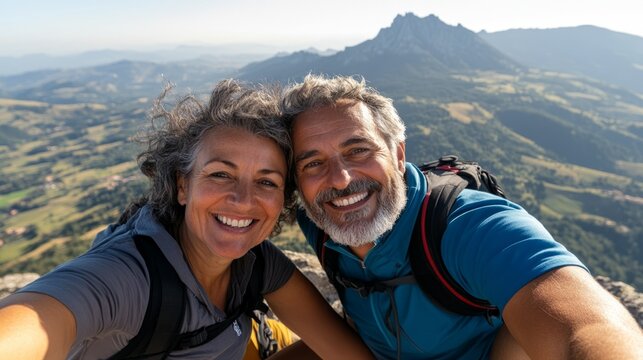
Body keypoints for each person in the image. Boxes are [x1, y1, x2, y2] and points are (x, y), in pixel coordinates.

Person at [0, 79, 374, 360]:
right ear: (182, 185)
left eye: (266, 181)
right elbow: (36, 321)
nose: (243, 200)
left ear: (282, 201)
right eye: (220, 174)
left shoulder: (256, 264)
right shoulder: (127, 279)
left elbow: (342, 352)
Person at [279, 74, 643, 359]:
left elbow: (584, 328)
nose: (340, 179)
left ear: (398, 154)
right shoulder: (320, 218)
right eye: (313, 163)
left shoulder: (467, 226)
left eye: (358, 150)